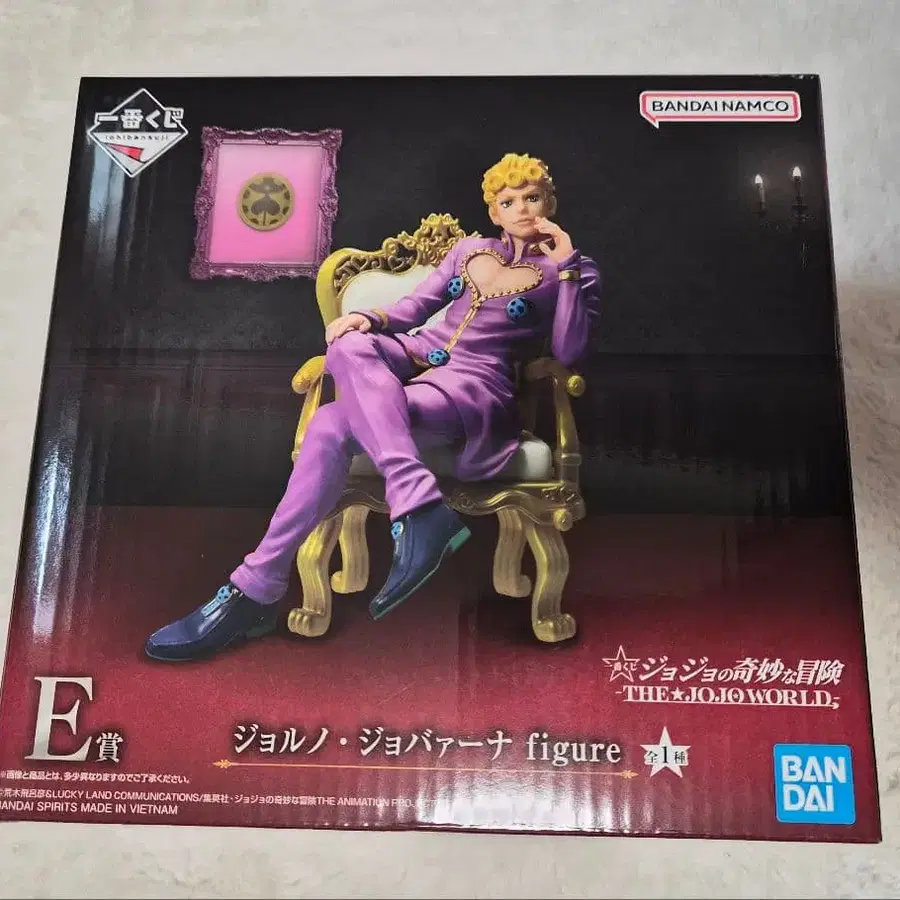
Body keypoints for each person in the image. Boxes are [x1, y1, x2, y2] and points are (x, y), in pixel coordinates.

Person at [145, 152, 602, 662]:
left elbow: (569, 351)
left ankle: (254, 589)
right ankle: (417, 504)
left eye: (532, 197)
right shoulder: (469, 250)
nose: (522, 209)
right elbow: (417, 308)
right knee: (346, 344)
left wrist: (566, 269)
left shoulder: (571, 270)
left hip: (475, 387)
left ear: (549, 202)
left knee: (331, 422)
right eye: (509, 201)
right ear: (494, 211)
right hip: (415, 355)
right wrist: (370, 319)